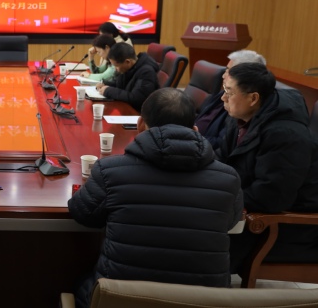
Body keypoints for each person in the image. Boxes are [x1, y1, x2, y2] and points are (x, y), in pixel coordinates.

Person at [68, 88, 243, 308]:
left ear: (140, 124)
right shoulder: (228, 178)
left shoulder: (110, 170)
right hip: (203, 302)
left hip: (122, 301)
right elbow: (231, 221)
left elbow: (82, 213)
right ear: (195, 130)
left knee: (76, 282)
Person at [215, 63, 318, 274]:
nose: (223, 98)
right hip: (247, 206)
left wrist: (220, 197)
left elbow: (271, 197)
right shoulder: (241, 117)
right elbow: (222, 158)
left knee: (195, 245)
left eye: (229, 92)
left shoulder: (286, 135)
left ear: (253, 98)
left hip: (284, 227)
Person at [195, 49, 266, 150]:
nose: (223, 76)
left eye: (229, 71)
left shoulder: (240, 109)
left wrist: (192, 137)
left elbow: (222, 145)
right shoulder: (222, 93)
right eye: (226, 70)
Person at [96, 42, 159, 112]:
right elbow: (121, 85)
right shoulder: (130, 68)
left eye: (116, 66)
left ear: (128, 62)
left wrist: (108, 91)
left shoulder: (146, 72)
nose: (115, 69)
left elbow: (136, 98)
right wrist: (106, 84)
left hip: (137, 113)